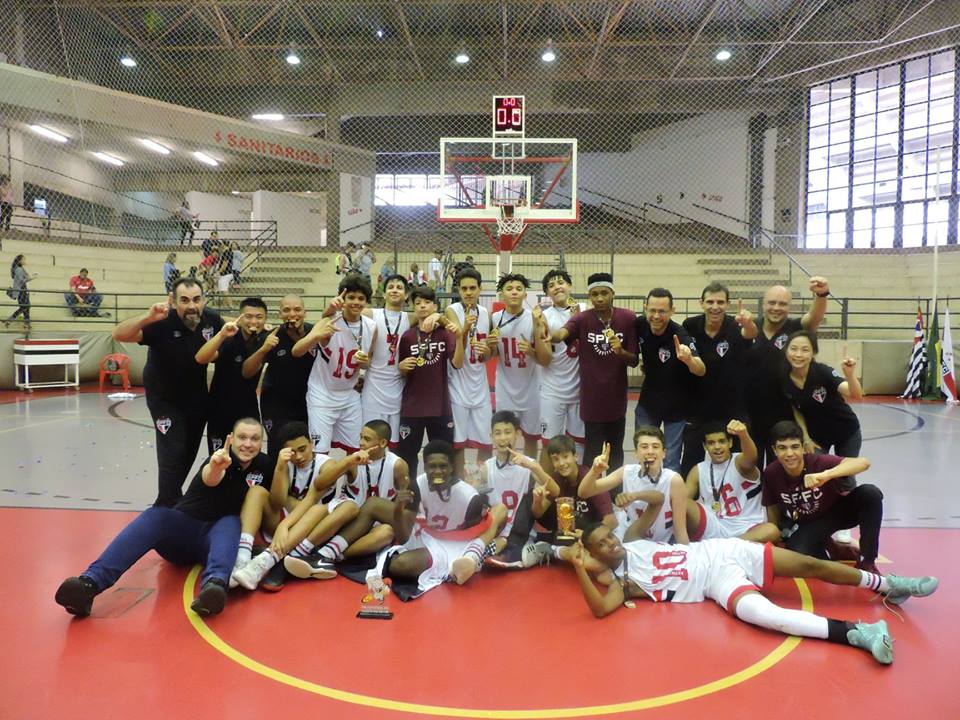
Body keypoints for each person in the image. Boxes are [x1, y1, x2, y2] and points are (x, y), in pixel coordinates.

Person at [572, 519, 938, 664]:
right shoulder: (622, 583)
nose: (612, 544)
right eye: (603, 545)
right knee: (763, 616)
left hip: (724, 550)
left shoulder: (633, 542)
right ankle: (859, 633)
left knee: (810, 565)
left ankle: (891, 585)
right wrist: (574, 563)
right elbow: (601, 609)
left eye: (609, 537)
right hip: (716, 583)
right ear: (596, 555)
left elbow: (609, 538)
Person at [55, 419, 275, 618]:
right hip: (184, 532)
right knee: (157, 515)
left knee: (230, 521)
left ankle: (214, 588)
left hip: (218, 537)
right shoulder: (219, 459)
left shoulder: (264, 466)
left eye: (254, 438)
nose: (248, 444)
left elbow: (272, 501)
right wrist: (216, 466)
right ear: (231, 439)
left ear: (261, 441)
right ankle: (88, 584)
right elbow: (211, 478)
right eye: (242, 437)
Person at [112, 277, 224, 506]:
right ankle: (165, 505)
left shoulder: (211, 320)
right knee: (173, 449)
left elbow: (228, 326)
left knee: (188, 452)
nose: (191, 305)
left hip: (196, 398)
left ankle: (171, 500)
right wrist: (147, 317)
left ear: (203, 300)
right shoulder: (162, 320)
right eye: (184, 300)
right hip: (164, 399)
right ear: (173, 301)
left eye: (196, 299)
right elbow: (119, 335)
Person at [230, 421, 368, 590]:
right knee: (257, 491)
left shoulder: (327, 464)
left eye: (303, 449)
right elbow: (277, 502)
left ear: (312, 443)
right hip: (288, 528)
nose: (299, 456)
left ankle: (266, 561)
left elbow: (312, 498)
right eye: (293, 452)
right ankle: (242, 558)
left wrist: (284, 526)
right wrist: (280, 467)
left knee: (324, 508)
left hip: (314, 531)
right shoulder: (287, 464)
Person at [365, 440, 507, 599]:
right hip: (430, 536)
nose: (437, 471)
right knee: (397, 563)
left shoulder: (469, 496)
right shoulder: (418, 484)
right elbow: (404, 535)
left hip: (457, 541)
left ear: (452, 467)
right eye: (432, 466)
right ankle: (482, 553)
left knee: (400, 565)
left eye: (443, 466)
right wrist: (399, 508)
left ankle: (477, 554)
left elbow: (481, 527)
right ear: (424, 467)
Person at [281, 419, 412, 580]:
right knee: (344, 508)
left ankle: (328, 555)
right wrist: (347, 461)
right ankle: (306, 551)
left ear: (383, 442)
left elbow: (405, 505)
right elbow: (320, 484)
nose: (361, 443)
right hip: (347, 520)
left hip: (371, 528)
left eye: (367, 439)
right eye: (361, 437)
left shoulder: (398, 465)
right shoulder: (353, 460)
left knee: (387, 532)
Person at [762, 420, 883, 573]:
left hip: (838, 512)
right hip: (811, 524)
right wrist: (776, 540)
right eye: (782, 448)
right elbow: (772, 507)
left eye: (795, 447)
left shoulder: (818, 462)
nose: (789, 454)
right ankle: (831, 549)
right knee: (798, 552)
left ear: (803, 448)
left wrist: (826, 475)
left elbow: (863, 463)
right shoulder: (771, 473)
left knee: (870, 493)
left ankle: (868, 560)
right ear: (774, 450)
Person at [546, 272, 638, 473]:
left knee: (615, 453)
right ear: (589, 296)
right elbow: (563, 332)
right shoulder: (582, 319)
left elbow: (634, 360)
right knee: (592, 453)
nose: (599, 298)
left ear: (613, 293)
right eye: (594, 294)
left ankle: (615, 495)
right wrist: (550, 335)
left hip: (616, 398)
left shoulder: (628, 318)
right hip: (591, 399)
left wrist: (620, 351)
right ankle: (591, 497)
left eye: (604, 293)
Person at [746, 277, 831, 465]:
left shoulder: (795, 328)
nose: (776, 307)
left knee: (780, 467)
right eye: (772, 302)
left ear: (789, 307)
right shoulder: (749, 328)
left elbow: (814, 317)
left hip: (784, 413)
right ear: (763, 305)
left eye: (782, 304)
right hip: (750, 413)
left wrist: (821, 294)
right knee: (752, 467)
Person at [293, 274, 376, 455]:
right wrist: (316, 336)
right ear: (342, 299)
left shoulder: (371, 326)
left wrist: (365, 363)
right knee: (320, 452)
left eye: (361, 298)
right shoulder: (329, 321)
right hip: (322, 395)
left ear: (366, 301)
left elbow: (368, 362)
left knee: (356, 450)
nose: (356, 302)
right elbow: (296, 351)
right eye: (351, 297)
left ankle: (349, 484)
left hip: (349, 395)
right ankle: (323, 484)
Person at [681, 282, 756, 476]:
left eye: (720, 302)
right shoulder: (690, 325)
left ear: (728, 304)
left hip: (732, 406)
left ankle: (739, 502)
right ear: (701, 303)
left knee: (740, 462)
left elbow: (750, 334)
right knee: (690, 459)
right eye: (710, 302)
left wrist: (748, 323)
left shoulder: (736, 325)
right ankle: (689, 500)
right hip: (698, 406)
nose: (715, 307)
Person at [396, 285, 464, 479]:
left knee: (442, 455)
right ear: (413, 307)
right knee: (408, 457)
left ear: (435, 306)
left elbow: (458, 363)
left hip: (440, 407)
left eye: (427, 302)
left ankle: (442, 493)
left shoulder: (445, 333)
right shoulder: (408, 336)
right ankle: (411, 498)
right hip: (413, 407)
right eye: (418, 303)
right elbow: (401, 371)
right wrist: (401, 367)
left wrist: (459, 337)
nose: (422, 306)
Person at [634, 287, 706, 473]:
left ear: (672, 311)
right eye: (652, 310)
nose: (656, 316)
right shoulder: (640, 325)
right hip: (648, 404)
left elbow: (700, 369)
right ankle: (645, 494)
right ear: (645, 308)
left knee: (671, 460)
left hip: (676, 407)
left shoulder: (679, 334)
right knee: (645, 454)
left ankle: (669, 500)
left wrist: (689, 359)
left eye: (662, 311)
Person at [579, 427, 689, 544]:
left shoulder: (674, 480)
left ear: (664, 453)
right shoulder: (626, 472)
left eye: (655, 447)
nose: (650, 451)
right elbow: (584, 492)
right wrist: (595, 471)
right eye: (644, 447)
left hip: (662, 543)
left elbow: (680, 530)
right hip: (631, 539)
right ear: (635, 453)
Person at [479, 411, 557, 566]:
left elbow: (554, 491)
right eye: (498, 433)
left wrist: (534, 467)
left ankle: (512, 551)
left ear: (517, 435)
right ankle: (507, 550)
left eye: (508, 432)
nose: (503, 438)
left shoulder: (528, 464)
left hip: (521, 526)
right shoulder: (486, 468)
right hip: (497, 525)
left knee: (530, 497)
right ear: (491, 437)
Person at [684, 420, 780, 543]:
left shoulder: (740, 461)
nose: (717, 447)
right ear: (705, 446)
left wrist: (743, 434)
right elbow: (682, 501)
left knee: (771, 531)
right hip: (714, 525)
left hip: (748, 527)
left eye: (722, 441)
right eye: (711, 443)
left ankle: (725, 546)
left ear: (730, 443)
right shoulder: (698, 470)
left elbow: (752, 457)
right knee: (682, 502)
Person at [242, 295, 313, 457]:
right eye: (286, 310)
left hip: (308, 402)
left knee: (304, 451)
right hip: (276, 403)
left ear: (305, 312)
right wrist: (263, 349)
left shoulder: (313, 332)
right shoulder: (271, 336)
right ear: (280, 314)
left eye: (297, 309)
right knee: (280, 450)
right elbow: (247, 372)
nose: (292, 314)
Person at [195, 298, 268, 454]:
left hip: (248, 408)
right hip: (219, 409)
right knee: (218, 457)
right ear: (240, 317)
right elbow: (201, 358)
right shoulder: (229, 337)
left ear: (265, 319)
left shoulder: (266, 339)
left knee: (249, 456)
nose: (253, 321)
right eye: (248, 316)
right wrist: (221, 335)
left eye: (259, 317)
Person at [489, 273, 550, 459]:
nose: (514, 292)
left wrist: (531, 351)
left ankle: (529, 479)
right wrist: (489, 345)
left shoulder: (536, 318)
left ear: (525, 294)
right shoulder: (494, 318)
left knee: (532, 438)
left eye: (518, 289)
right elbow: (491, 354)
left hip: (532, 389)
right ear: (502, 295)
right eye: (509, 289)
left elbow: (545, 360)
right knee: (505, 437)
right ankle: (505, 475)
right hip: (506, 389)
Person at [781, 331, 862, 457]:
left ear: (813, 353)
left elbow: (855, 394)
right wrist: (806, 438)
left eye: (805, 350)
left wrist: (850, 376)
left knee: (845, 475)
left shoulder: (823, 372)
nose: (798, 354)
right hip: (817, 437)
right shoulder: (784, 378)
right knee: (814, 472)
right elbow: (796, 411)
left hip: (846, 431)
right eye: (793, 349)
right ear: (786, 350)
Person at [444, 267, 493, 477]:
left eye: (473, 288)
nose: (468, 292)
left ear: (480, 289)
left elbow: (489, 354)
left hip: (479, 387)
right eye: (464, 288)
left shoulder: (485, 314)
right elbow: (458, 347)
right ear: (459, 290)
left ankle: (482, 485)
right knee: (458, 443)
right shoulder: (452, 310)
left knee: (486, 443)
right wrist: (464, 329)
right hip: (458, 386)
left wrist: (488, 351)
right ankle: (460, 484)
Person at [537, 269, 586, 467]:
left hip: (580, 392)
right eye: (551, 285)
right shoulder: (544, 317)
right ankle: (546, 489)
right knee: (550, 446)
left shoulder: (584, 310)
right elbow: (544, 358)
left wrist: (579, 319)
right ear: (547, 293)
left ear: (569, 286)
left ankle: (576, 490)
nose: (557, 286)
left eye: (561, 282)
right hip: (553, 391)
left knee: (579, 445)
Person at [361, 274, 412, 446]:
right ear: (383, 294)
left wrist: (437, 317)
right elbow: (347, 314)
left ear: (406, 295)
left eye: (399, 287)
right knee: (370, 440)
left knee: (392, 443)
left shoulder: (410, 318)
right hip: (373, 387)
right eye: (390, 287)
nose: (394, 290)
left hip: (397, 387)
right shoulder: (370, 314)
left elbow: (433, 316)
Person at [4, 254, 35, 330]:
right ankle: (10, 320)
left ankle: (26, 324)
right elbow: (22, 280)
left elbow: (24, 278)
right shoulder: (18, 269)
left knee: (26, 306)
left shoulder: (20, 269)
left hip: (24, 290)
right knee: (25, 307)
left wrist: (30, 276)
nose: (25, 261)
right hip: (21, 291)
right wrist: (32, 278)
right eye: (24, 259)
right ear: (20, 261)